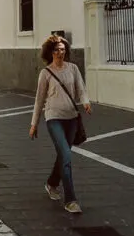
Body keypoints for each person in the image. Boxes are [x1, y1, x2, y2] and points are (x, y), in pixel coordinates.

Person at [29, 35, 91, 215]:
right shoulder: (45, 73)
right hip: (53, 118)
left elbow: (81, 88)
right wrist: (34, 124)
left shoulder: (73, 69)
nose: (60, 53)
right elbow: (39, 101)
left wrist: (85, 102)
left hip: (71, 118)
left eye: (63, 50)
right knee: (65, 155)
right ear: (50, 52)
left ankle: (52, 183)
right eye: (56, 50)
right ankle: (71, 200)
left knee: (63, 155)